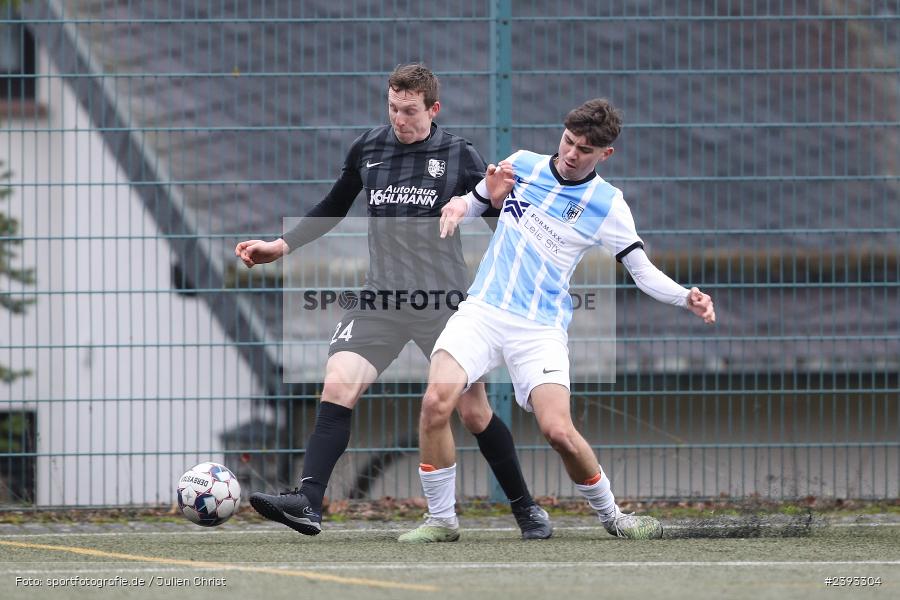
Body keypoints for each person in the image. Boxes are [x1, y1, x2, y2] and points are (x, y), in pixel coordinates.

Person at [235, 64, 552, 540]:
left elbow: (499, 220)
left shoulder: (459, 155)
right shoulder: (368, 148)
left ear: (433, 109)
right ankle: (308, 502)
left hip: (442, 301)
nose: (399, 119)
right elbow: (333, 206)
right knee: (338, 384)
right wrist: (281, 246)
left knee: (472, 412)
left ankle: (525, 507)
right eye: (393, 108)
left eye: (409, 111)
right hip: (380, 298)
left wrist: (524, 282)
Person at [399, 98, 716, 542]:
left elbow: (641, 271)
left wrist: (686, 297)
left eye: (584, 149)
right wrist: (458, 207)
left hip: (539, 329)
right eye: (568, 141)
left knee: (559, 432)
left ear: (605, 154)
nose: (571, 153)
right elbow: (475, 201)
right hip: (482, 311)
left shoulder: (608, 204)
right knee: (436, 402)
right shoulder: (522, 164)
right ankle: (441, 521)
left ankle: (613, 516)